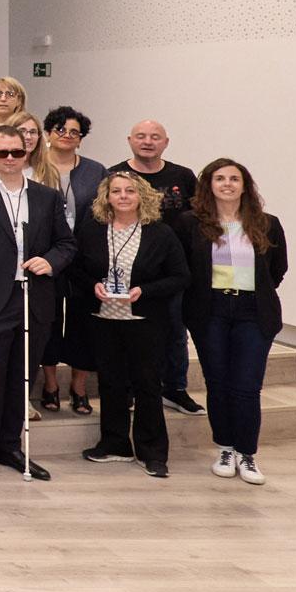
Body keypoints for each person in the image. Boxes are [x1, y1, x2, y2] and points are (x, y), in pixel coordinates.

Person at [0, 125, 76, 485]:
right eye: (1, 153)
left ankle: (9, 446)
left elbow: (66, 244)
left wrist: (49, 261)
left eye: (15, 153)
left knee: (23, 376)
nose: (8, 159)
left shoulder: (46, 197)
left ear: (27, 154)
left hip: (33, 298)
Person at [180, 158, 287, 486]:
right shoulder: (189, 223)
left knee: (247, 386)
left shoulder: (267, 224)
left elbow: (277, 270)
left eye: (234, 179)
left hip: (253, 313)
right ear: (209, 185)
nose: (227, 184)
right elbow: (183, 269)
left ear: (245, 185)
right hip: (210, 312)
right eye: (220, 178)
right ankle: (225, 448)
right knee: (218, 382)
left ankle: (247, 454)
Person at [73, 172, 188, 478]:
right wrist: (93, 286)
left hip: (145, 321)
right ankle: (115, 444)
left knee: (148, 384)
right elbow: (77, 270)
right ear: (106, 197)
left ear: (142, 196)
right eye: (116, 191)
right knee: (111, 382)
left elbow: (180, 276)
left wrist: (144, 292)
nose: (123, 196)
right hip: (103, 318)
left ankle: (152, 452)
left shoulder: (160, 233)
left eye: (130, 191)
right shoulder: (92, 230)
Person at [109, 119, 204, 416]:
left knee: (175, 330)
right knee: (127, 333)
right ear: (129, 140)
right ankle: (127, 389)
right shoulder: (115, 174)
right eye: (141, 136)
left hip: (173, 271)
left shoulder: (183, 176)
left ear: (166, 142)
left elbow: (199, 217)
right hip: (127, 269)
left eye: (154, 137)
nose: (147, 141)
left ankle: (174, 387)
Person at [40, 105, 106, 416]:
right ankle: (50, 383)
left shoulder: (95, 170)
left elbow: (103, 212)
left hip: (85, 257)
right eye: (60, 130)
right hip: (47, 256)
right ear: (49, 134)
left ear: (81, 139)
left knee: (84, 322)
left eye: (74, 132)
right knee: (49, 320)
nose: (67, 136)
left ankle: (78, 387)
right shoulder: (35, 165)